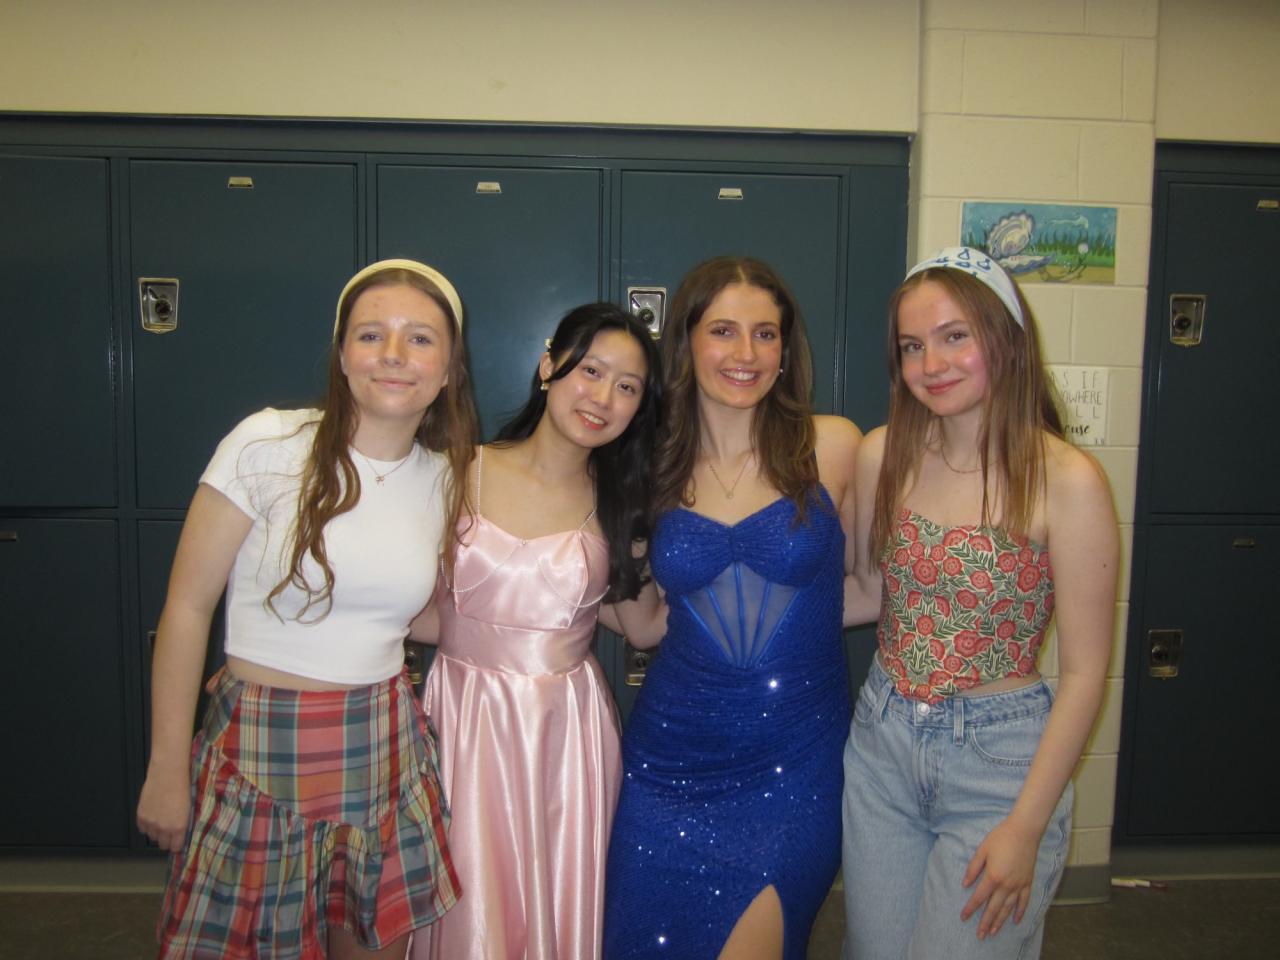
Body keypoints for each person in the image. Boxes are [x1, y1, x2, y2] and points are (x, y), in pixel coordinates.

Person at [136, 259, 479, 959]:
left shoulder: (447, 479)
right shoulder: (267, 443)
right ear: (343, 355)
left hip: (381, 745)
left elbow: (418, 616)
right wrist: (166, 767)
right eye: (371, 335)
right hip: (259, 747)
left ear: (448, 370)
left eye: (419, 339)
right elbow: (187, 608)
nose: (393, 354)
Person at [840, 247, 1119, 959]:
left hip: (999, 764)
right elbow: (868, 592)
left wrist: (1026, 826)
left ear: (1006, 338)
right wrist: (723, 610)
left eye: (954, 336)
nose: (931, 363)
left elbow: (1085, 673)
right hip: (883, 746)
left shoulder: (1066, 479)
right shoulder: (883, 454)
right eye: (912, 346)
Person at [602, 256, 862, 960]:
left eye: (765, 334)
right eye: (722, 330)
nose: (745, 353)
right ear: (686, 342)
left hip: (795, 766)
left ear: (786, 349)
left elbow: (871, 586)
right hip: (667, 764)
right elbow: (645, 621)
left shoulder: (834, 447)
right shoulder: (648, 465)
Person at [411, 303, 666, 960]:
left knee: (552, 898)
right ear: (549, 366)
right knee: (463, 895)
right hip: (460, 717)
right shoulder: (456, 470)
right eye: (590, 371)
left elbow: (642, 626)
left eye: (627, 386)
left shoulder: (623, 505)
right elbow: (414, 607)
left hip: (564, 731)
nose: (603, 398)